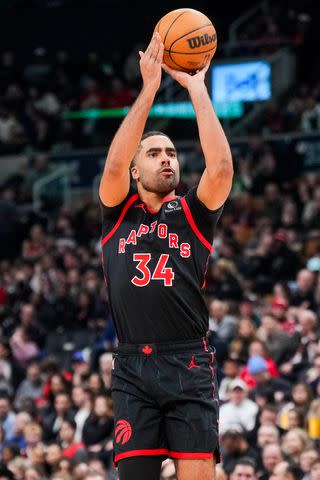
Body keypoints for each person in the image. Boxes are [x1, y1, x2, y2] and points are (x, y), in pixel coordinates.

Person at [99, 33, 233, 480]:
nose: (166, 160)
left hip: (188, 361)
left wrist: (197, 90)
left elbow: (221, 170)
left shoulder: (193, 214)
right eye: (154, 153)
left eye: (172, 153)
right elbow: (115, 168)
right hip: (132, 365)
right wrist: (150, 89)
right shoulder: (117, 213)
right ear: (138, 169)